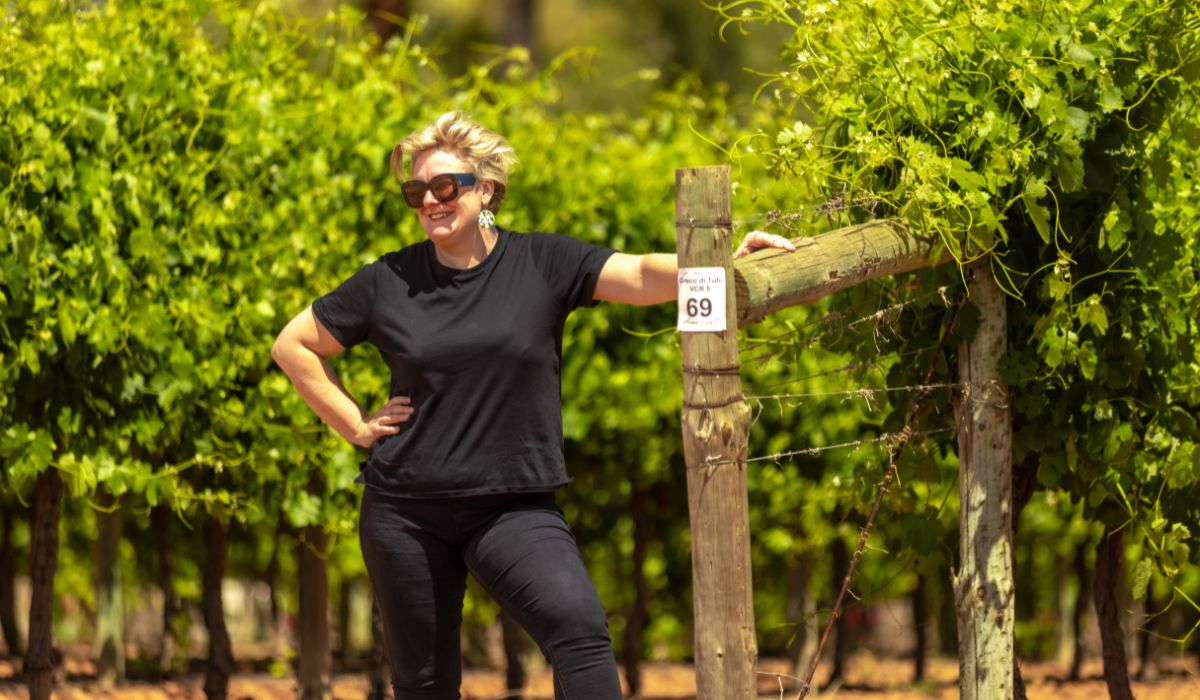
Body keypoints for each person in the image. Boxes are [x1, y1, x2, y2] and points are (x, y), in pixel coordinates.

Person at [271, 111, 794, 699]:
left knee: (579, 630)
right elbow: (293, 344)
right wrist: (355, 426)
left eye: (445, 187)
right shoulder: (388, 280)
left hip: (512, 507)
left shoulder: (542, 263)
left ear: (486, 189)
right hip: (405, 513)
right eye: (415, 192)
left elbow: (640, 274)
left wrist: (718, 262)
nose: (429, 202)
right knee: (423, 685)